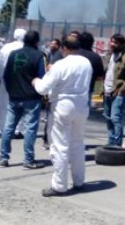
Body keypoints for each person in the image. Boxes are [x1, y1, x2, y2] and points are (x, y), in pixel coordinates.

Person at [32, 34, 92, 197]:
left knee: (59, 146)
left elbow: (43, 88)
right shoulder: (86, 63)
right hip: (81, 105)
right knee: (78, 143)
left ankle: (59, 185)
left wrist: (36, 81)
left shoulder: (60, 64)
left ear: (63, 48)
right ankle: (79, 180)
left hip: (63, 105)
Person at [0, 30, 46, 169]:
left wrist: (11, 91)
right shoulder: (39, 56)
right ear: (37, 42)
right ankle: (28, 160)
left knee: (8, 127)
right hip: (32, 97)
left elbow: (6, 75)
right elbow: (42, 77)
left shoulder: (13, 54)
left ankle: (3, 157)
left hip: (14, 96)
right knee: (30, 129)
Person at [0, 28, 26, 138]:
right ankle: (16, 130)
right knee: (20, 106)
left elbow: (0, 63)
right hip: (22, 81)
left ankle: (1, 129)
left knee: (3, 104)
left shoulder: (6, 47)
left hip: (6, 78)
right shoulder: (27, 48)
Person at [102, 34, 125, 146]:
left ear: (122, 44)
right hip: (107, 91)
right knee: (108, 118)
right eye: (111, 42)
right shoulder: (109, 56)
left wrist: (122, 89)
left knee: (115, 118)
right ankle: (111, 142)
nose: (112, 44)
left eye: (115, 42)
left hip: (118, 92)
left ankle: (117, 144)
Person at [72, 31, 104, 106]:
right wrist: (98, 99)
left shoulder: (72, 54)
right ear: (92, 43)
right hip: (88, 92)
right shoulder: (96, 57)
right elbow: (99, 79)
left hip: (71, 91)